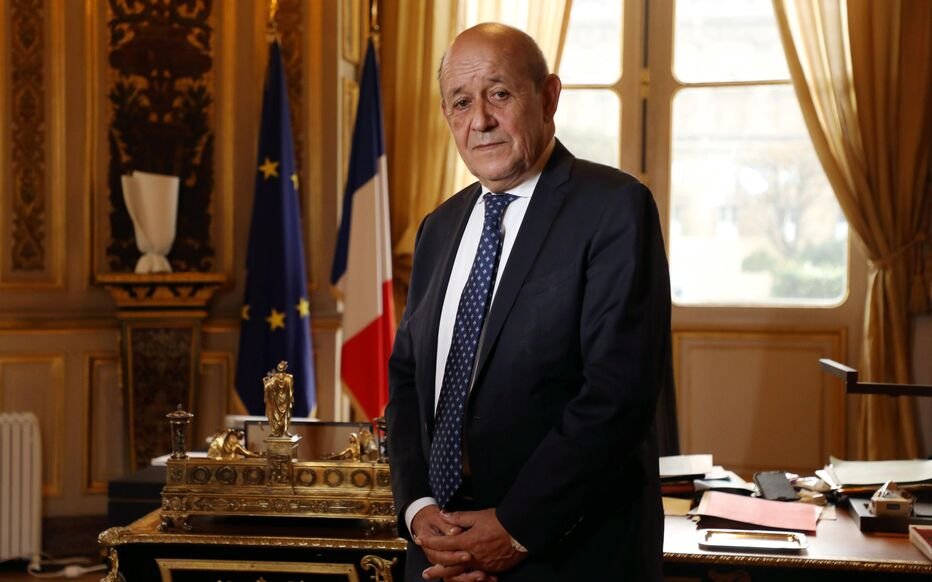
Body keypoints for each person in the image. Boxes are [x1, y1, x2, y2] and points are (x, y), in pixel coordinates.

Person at [386, 22, 673, 581]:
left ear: (548, 97)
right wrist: (418, 508)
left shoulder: (615, 208)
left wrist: (514, 528)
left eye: (499, 94)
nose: (480, 120)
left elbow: (617, 397)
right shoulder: (438, 228)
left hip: (564, 556)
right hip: (439, 556)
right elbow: (406, 379)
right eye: (461, 102)